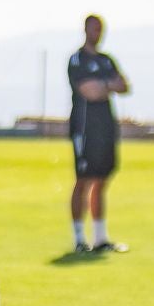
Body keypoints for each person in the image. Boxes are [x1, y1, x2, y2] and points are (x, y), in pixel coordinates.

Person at [66, 14, 130, 253]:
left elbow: (124, 85)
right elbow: (89, 91)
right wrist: (107, 85)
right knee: (83, 180)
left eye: (100, 29)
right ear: (85, 29)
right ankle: (79, 239)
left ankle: (100, 238)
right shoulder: (77, 60)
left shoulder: (106, 60)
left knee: (102, 179)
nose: (98, 33)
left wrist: (104, 86)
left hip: (106, 128)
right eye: (94, 29)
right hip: (85, 129)